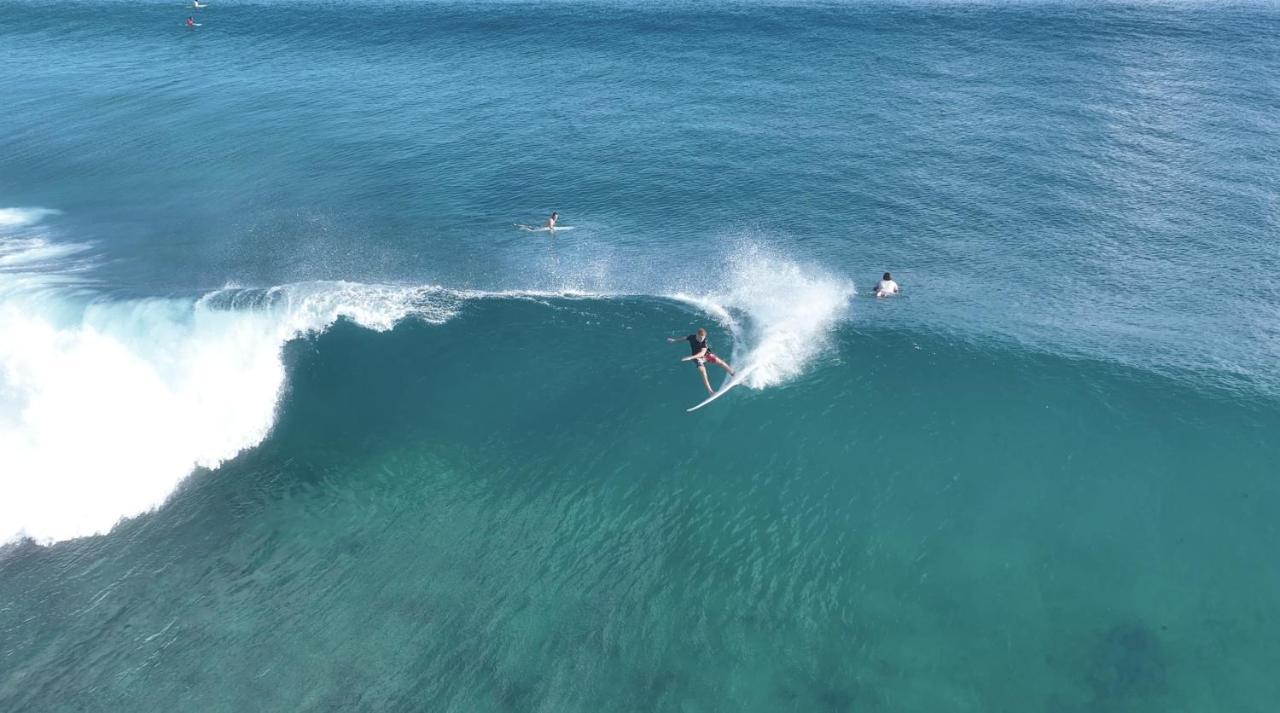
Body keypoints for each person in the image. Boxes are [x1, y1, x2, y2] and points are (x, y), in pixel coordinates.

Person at [668, 327, 735, 395]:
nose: (701, 340)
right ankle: (710, 391)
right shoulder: (691, 337)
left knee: (720, 363)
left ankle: (733, 374)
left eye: (703, 338)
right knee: (702, 371)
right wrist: (674, 340)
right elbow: (684, 338)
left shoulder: (704, 342)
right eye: (700, 338)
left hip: (706, 354)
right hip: (697, 357)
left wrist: (690, 357)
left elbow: (702, 353)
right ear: (696, 335)